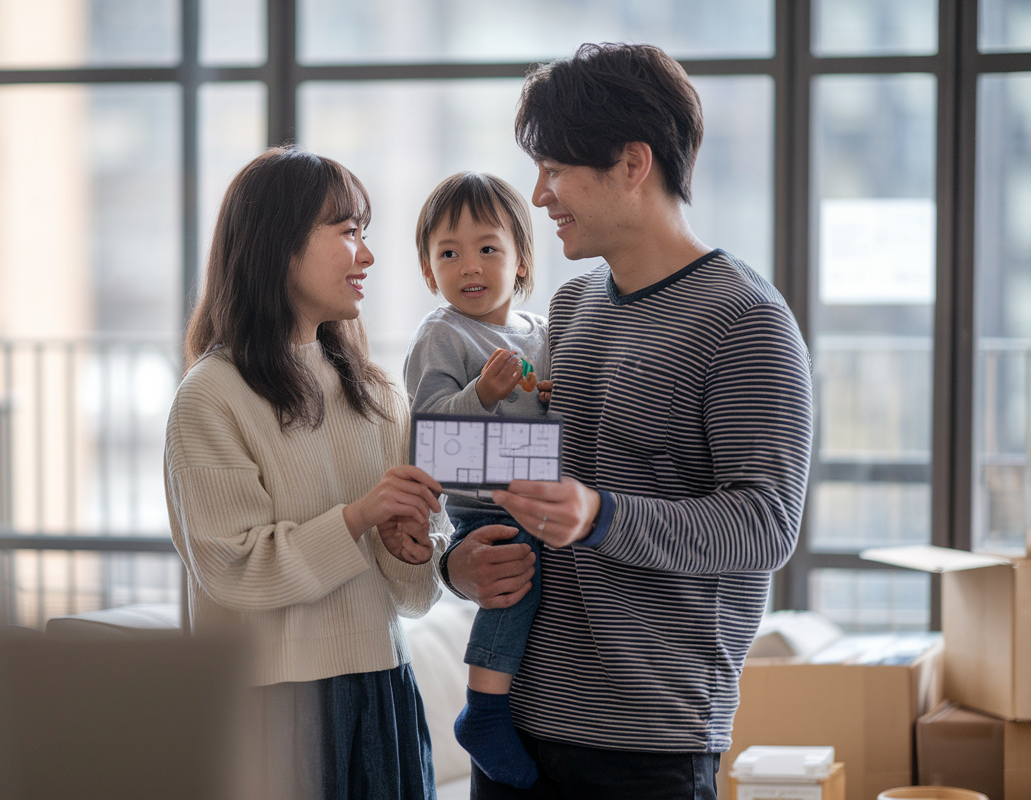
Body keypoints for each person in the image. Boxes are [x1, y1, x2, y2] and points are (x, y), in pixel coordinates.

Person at [441, 42, 815, 799]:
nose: (539, 197)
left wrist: (600, 515)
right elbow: (520, 478)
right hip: (514, 728)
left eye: (555, 170)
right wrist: (459, 564)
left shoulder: (746, 322)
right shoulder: (570, 308)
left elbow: (765, 526)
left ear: (633, 164)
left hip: (648, 742)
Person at [164, 146, 451, 800]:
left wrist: (415, 548)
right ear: (279, 243)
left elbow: (416, 596)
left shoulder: (379, 393)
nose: (368, 257)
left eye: (365, 234)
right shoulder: (212, 395)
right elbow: (233, 568)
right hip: (271, 707)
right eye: (349, 232)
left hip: (384, 687)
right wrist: (358, 519)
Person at [402, 171, 549, 789]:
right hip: (485, 506)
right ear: (430, 272)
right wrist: (481, 394)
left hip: (536, 494)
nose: (471, 265)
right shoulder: (442, 334)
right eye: (449, 252)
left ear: (520, 261)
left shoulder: (539, 331)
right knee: (516, 581)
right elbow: (431, 436)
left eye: (489, 248)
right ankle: (484, 709)